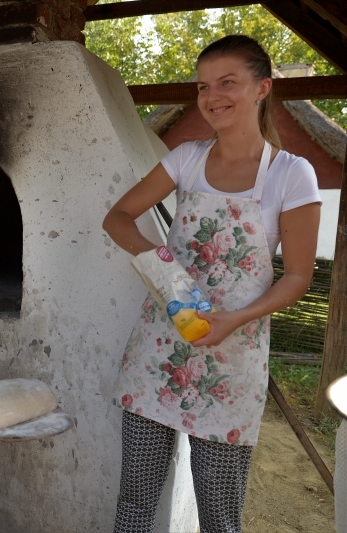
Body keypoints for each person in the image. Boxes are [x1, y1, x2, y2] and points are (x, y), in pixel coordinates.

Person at [102, 35, 321, 533]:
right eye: (203, 86)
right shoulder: (186, 158)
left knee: (219, 519)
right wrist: (162, 264)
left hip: (233, 357)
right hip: (160, 350)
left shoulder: (291, 174)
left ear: (262, 87)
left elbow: (299, 277)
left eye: (228, 82)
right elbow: (118, 218)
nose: (211, 96)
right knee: (135, 500)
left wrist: (236, 318)